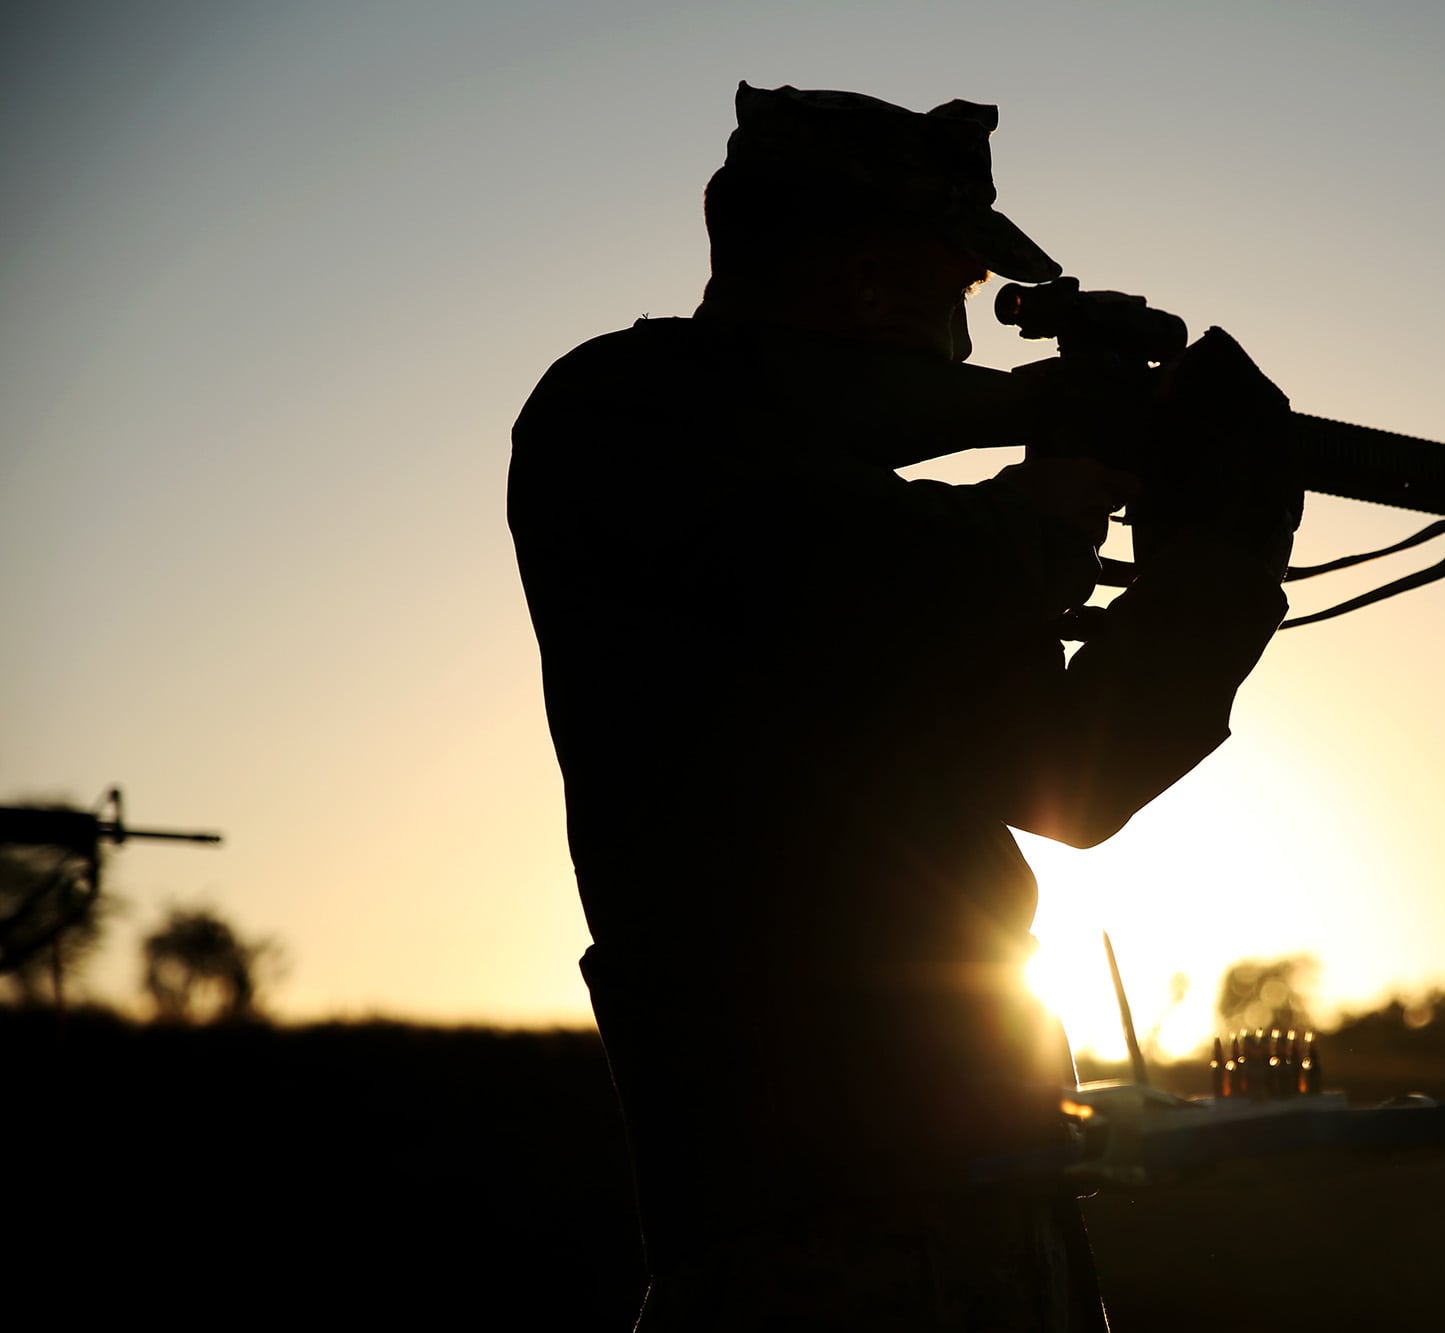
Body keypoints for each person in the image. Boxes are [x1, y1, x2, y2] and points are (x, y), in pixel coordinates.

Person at [509, 81, 1299, 1331]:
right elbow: (868, 571)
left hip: (993, 1205)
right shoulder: (622, 415)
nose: (971, 350)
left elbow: (1069, 784)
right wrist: (1058, 488)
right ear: (878, 285)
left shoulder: (813, 494)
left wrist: (1214, 572)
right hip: (807, 1232)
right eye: (959, 302)